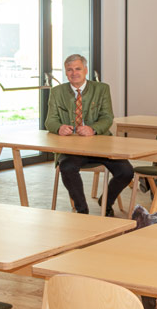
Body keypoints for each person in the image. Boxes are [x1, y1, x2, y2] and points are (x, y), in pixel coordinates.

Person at [46, 54, 133, 216]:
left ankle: (106, 201)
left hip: (102, 146)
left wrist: (93, 129)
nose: (74, 73)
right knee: (67, 167)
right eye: (69, 70)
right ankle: (82, 210)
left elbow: (107, 117)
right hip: (72, 149)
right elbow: (50, 121)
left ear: (85, 70)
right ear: (65, 72)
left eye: (78, 69)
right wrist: (59, 128)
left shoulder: (102, 89)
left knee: (126, 171)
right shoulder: (57, 92)